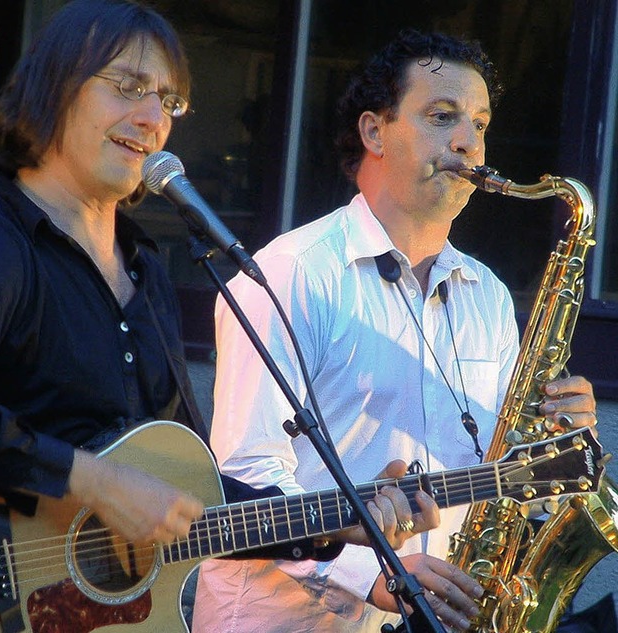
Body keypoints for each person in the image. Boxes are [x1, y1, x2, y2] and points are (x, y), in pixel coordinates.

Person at [0, 1, 440, 628]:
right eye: (129, 88)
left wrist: (340, 521)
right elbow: (118, 488)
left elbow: (187, 498)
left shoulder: (146, 271)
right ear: (54, 87)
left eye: (168, 102)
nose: (150, 119)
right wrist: (97, 485)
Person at [193, 29, 598, 632]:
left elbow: (497, 483)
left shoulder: (487, 295)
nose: (469, 142)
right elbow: (246, 480)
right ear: (374, 132)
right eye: (443, 116)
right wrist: (377, 572)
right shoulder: (291, 272)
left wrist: (548, 446)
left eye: (481, 124)